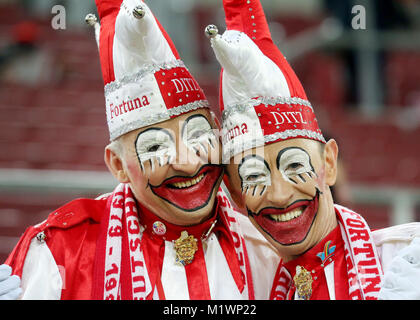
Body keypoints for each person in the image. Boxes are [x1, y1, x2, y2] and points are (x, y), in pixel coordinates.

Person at [2, 0, 279, 300]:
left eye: (199, 135)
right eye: (155, 147)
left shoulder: (270, 250)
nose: (187, 163)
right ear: (117, 164)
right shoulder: (59, 252)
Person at [205, 0, 420, 300]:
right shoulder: (244, 291)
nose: (279, 195)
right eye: (254, 177)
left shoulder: (407, 262)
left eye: (294, 166)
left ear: (329, 162)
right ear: (234, 192)